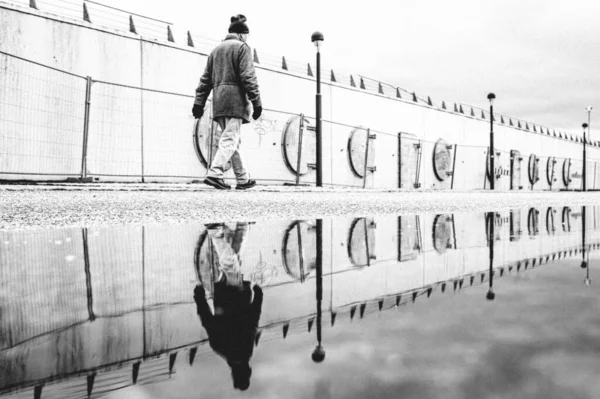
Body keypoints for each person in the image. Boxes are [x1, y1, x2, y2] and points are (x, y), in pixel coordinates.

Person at [192, 14, 262, 191]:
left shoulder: (216, 50)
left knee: (232, 140)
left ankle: (243, 178)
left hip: (219, 102)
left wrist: (199, 103)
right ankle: (215, 173)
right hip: (235, 102)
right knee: (230, 139)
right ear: (240, 34)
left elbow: (205, 80)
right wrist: (257, 101)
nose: (247, 38)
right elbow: (248, 77)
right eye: (246, 35)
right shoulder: (242, 48)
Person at [193, 222, 263, 391]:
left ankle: (217, 231)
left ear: (247, 370)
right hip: (223, 296)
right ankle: (242, 226)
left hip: (237, 295)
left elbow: (252, 321)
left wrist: (258, 296)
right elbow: (207, 320)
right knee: (233, 260)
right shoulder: (220, 348)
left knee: (231, 263)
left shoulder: (244, 351)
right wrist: (199, 298)